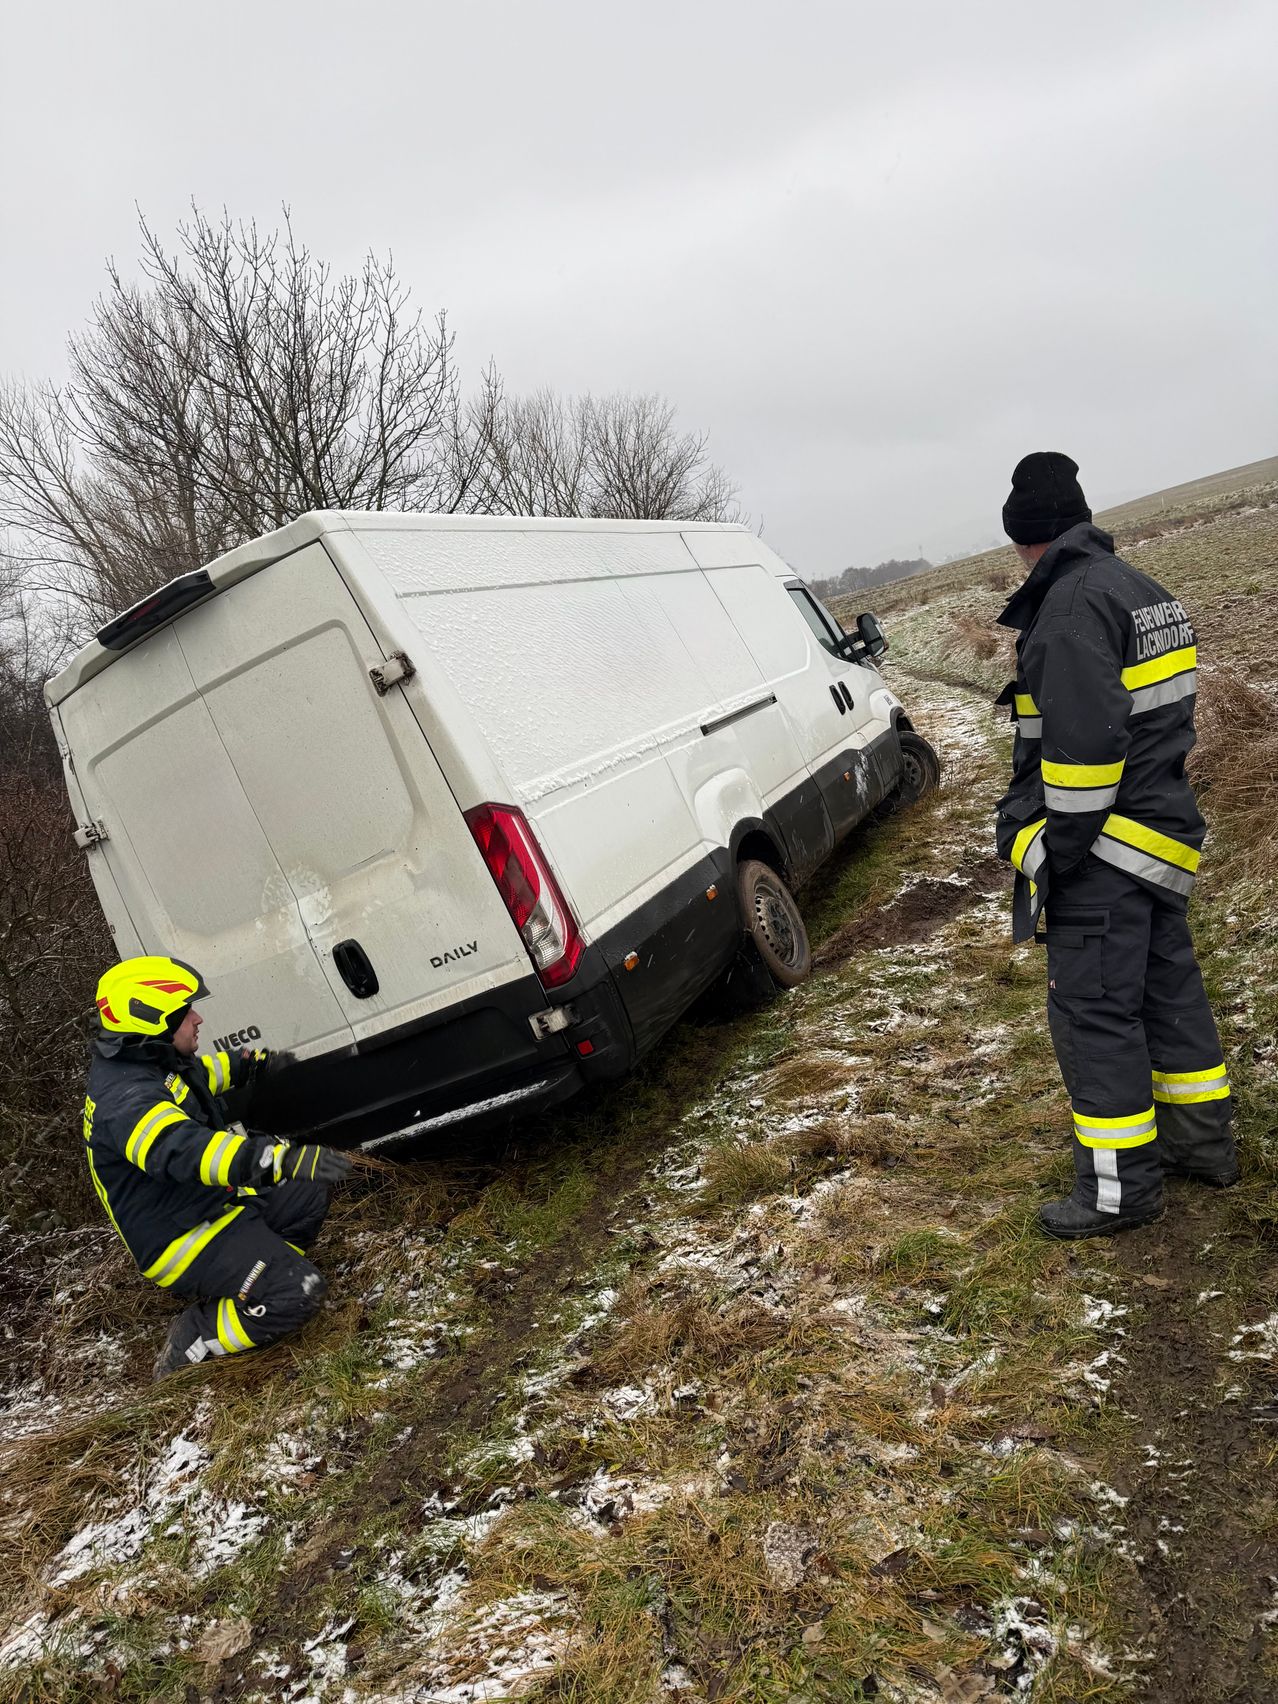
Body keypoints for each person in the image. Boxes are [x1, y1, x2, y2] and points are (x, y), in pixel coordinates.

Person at [993, 452, 1237, 1240]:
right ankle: (1203, 1148)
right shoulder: (1140, 589)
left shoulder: (1065, 614)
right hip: (1159, 841)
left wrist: (1057, 859)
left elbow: (1084, 761)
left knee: (1095, 1018)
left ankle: (1117, 1193)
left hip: (1102, 854)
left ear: (1026, 538)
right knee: (1168, 997)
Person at [83, 954, 353, 1375]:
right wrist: (276, 1159)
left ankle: (258, 1270)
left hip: (211, 1206)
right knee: (300, 1292)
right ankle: (198, 1332)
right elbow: (185, 1149)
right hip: (182, 1236)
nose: (198, 1018)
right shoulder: (124, 1101)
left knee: (307, 1192)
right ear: (152, 1022)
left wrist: (253, 1065)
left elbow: (197, 1078)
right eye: (185, 1011)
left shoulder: (150, 1061)